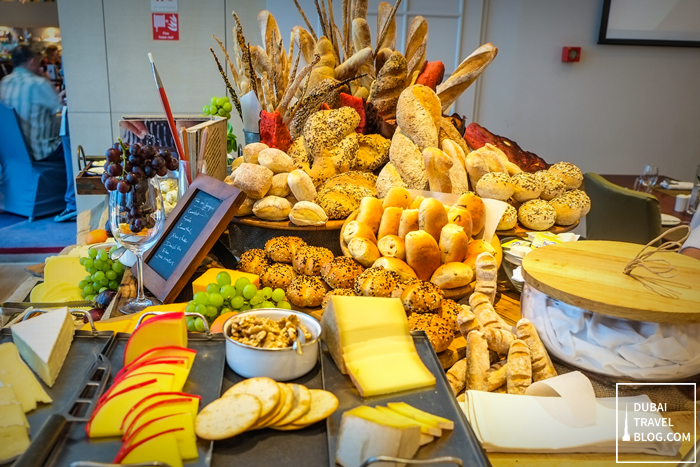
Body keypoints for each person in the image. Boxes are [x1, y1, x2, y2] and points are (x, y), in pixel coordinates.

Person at [0, 44, 76, 222]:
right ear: (33, 61)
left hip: (13, 151)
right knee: (71, 138)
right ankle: (74, 202)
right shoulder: (38, 84)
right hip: (41, 151)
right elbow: (60, 110)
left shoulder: (4, 83)